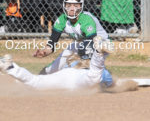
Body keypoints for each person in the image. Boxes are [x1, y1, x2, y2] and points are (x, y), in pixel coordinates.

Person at [0, 36, 149, 91]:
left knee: (36, 81)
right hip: (80, 79)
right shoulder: (99, 71)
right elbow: (109, 83)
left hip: (65, 75)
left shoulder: (72, 64)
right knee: (94, 77)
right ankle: (99, 53)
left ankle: (11, 67)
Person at [34, 0, 108, 75]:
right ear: (64, 6)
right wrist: (44, 52)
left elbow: (91, 43)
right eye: (69, 5)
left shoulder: (86, 19)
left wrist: (81, 58)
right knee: (56, 65)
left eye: (76, 6)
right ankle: (39, 79)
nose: (72, 9)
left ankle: (107, 80)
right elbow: (51, 44)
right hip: (81, 43)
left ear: (81, 6)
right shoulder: (62, 20)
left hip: (100, 43)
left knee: (90, 68)